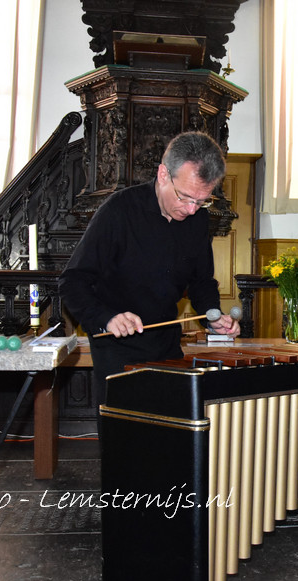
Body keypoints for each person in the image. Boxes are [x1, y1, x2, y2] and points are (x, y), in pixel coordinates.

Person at [59, 131, 240, 405]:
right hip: (115, 348)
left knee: (171, 437)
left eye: (202, 201)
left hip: (166, 346)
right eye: (186, 197)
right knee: (126, 438)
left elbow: (201, 281)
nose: (192, 209)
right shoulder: (119, 210)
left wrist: (213, 317)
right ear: (163, 174)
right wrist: (107, 318)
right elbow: (73, 281)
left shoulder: (198, 220)